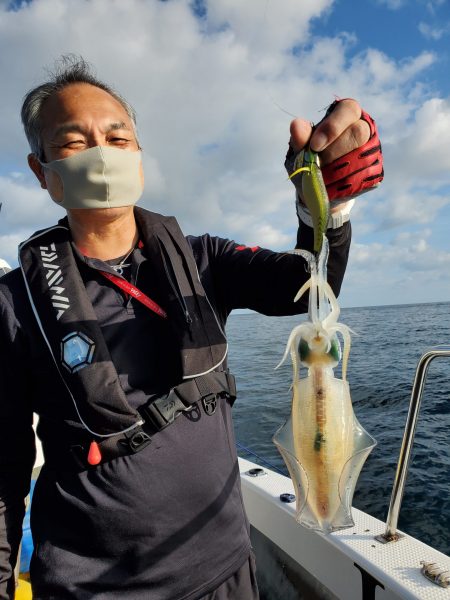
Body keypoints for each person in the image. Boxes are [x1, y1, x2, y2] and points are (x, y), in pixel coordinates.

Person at [0, 56, 383, 600]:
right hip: (98, 590)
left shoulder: (202, 260)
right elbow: (4, 471)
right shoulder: (15, 304)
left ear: (138, 154)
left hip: (227, 568)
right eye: (72, 143)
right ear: (42, 172)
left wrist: (327, 203)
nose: (102, 152)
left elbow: (305, 284)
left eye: (117, 136)